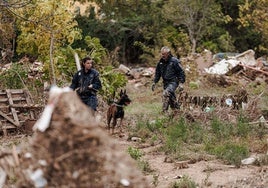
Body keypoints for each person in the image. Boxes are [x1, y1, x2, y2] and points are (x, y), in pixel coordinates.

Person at [152, 46, 185, 113]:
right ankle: (177, 111)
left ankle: (164, 112)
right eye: (162, 54)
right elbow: (157, 73)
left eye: (164, 54)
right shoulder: (160, 62)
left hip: (173, 82)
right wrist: (154, 82)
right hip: (165, 83)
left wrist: (181, 83)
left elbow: (181, 72)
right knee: (171, 99)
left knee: (166, 93)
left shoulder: (174, 61)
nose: (162, 55)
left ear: (168, 53)